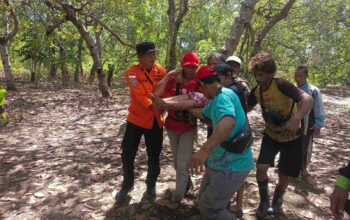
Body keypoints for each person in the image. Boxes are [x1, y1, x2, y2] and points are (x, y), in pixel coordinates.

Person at [246, 53, 314, 218]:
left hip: (293, 136)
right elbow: (244, 108)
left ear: (270, 73)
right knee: (261, 168)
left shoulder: (282, 84)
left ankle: (277, 201)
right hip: (271, 135)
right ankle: (264, 202)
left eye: (261, 75)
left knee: (284, 174)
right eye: (255, 75)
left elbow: (308, 99)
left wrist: (296, 118)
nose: (258, 78)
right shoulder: (256, 91)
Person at [188, 65, 255, 220]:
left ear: (203, 85)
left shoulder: (222, 98)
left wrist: (204, 149)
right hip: (218, 163)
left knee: (209, 208)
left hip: (232, 166)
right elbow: (204, 113)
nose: (200, 93)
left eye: (199, 89)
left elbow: (228, 123)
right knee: (204, 201)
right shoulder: (222, 95)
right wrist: (174, 106)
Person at [116, 41, 166, 203]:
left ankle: (151, 185)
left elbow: (165, 91)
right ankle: (127, 184)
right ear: (140, 57)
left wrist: (164, 103)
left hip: (155, 121)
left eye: (154, 53)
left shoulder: (161, 71)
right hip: (136, 120)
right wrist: (156, 103)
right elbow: (138, 94)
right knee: (128, 154)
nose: (153, 56)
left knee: (154, 155)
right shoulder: (132, 72)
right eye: (149, 54)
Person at [153, 51, 200, 202]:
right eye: (188, 66)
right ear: (182, 67)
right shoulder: (174, 80)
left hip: (188, 128)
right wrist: (168, 76)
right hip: (172, 126)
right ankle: (186, 185)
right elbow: (157, 93)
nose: (191, 70)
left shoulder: (199, 83)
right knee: (176, 162)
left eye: (194, 67)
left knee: (182, 164)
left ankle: (177, 197)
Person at [294, 65, 325, 177]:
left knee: (306, 147)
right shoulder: (292, 88)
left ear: (306, 76)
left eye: (300, 76)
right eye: (296, 75)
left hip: (307, 125)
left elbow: (318, 109)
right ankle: (290, 167)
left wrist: (318, 126)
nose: (297, 78)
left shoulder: (313, 91)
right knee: (291, 145)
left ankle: (303, 169)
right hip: (294, 124)